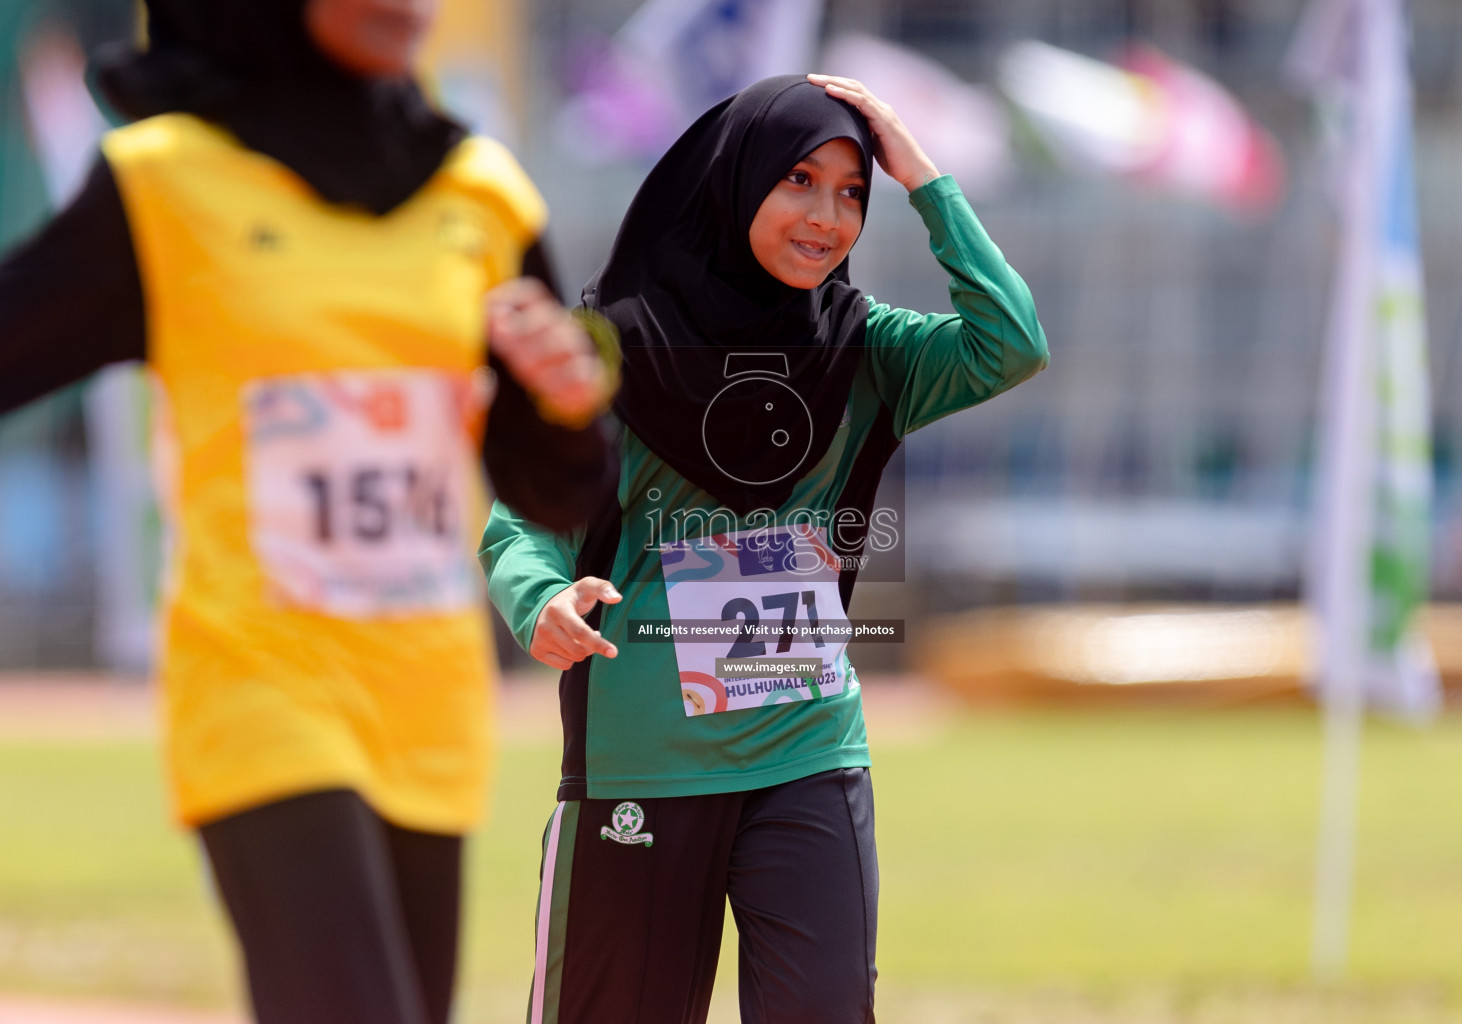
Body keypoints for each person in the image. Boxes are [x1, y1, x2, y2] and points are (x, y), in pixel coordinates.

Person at [0, 2, 617, 1023]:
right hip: (258, 683)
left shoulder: (482, 191)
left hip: (427, 701)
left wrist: (565, 404)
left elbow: (555, 488)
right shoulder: (165, 182)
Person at [480, 74, 1048, 1023]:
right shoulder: (608, 354)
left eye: (852, 190)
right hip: (642, 764)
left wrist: (922, 178)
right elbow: (521, 515)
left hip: (809, 752)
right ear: (733, 180)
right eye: (797, 179)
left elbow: (1010, 342)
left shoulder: (870, 351)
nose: (828, 216)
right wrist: (537, 595)